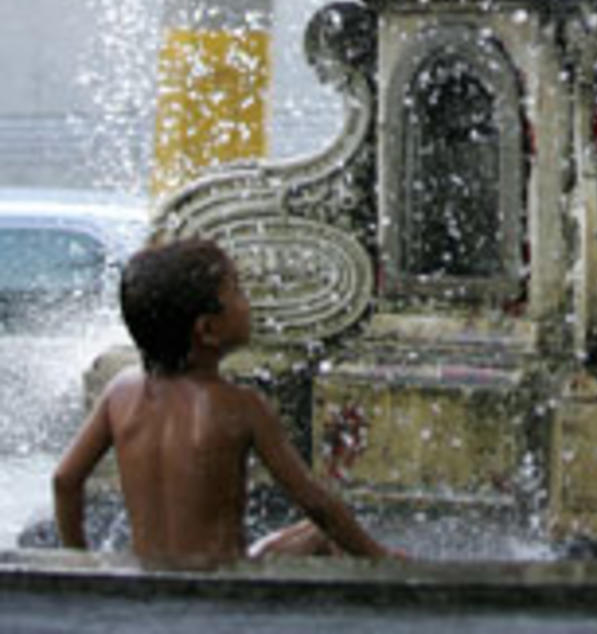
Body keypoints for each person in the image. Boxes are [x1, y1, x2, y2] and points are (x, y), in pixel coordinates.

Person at [52, 237, 399, 569]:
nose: (249, 303)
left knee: (309, 535)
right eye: (238, 292)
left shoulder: (119, 392)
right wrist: (381, 559)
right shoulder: (240, 406)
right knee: (323, 534)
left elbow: (65, 480)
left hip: (149, 578)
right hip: (222, 587)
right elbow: (314, 502)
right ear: (207, 330)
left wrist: (81, 562)